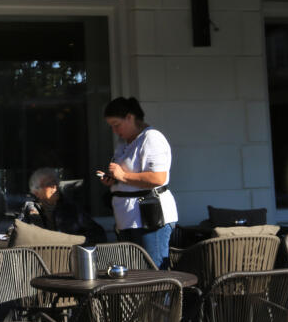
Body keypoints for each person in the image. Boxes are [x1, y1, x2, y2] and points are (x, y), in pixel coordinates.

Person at [99, 97, 178, 269]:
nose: (114, 130)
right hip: (127, 218)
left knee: (155, 271)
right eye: (111, 126)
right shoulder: (122, 143)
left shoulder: (151, 138)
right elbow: (124, 174)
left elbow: (158, 178)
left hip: (149, 217)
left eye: (116, 124)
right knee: (136, 273)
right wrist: (112, 180)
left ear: (130, 117)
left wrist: (122, 176)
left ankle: (165, 297)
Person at [19, 168, 107, 245]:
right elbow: (16, 232)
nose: (54, 186)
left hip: (67, 257)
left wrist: (77, 242)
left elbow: (98, 233)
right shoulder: (29, 208)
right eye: (49, 183)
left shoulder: (70, 208)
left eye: (55, 182)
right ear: (36, 192)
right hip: (39, 258)